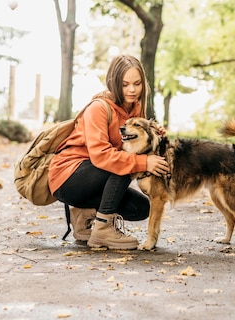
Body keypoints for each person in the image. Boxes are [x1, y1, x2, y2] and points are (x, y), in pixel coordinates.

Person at [48, 55, 169, 250]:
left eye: (137, 84)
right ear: (114, 83)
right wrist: (144, 162)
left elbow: (132, 147)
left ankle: (83, 214)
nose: (132, 89)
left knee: (140, 208)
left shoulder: (135, 109)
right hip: (69, 177)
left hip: (95, 179)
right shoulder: (99, 108)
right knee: (123, 164)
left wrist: (152, 135)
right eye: (125, 84)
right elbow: (102, 156)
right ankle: (103, 229)